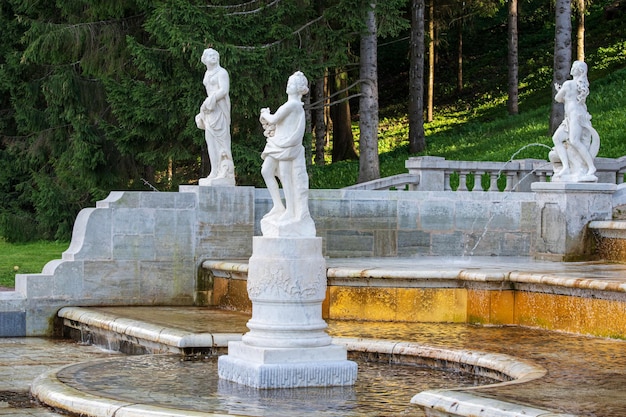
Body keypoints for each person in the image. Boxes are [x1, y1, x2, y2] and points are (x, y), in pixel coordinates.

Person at [259, 71, 315, 236]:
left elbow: (274, 119)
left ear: (299, 89)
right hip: (278, 143)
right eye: (289, 82)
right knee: (266, 171)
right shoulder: (292, 105)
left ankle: (291, 210)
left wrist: (264, 114)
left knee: (285, 176)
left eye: (291, 84)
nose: (288, 85)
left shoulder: (293, 105)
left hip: (286, 145)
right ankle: (278, 205)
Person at [551, 60, 599, 182]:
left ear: (580, 71)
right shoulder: (579, 86)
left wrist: (559, 91)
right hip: (570, 117)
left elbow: (558, 98)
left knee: (574, 141)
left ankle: (591, 167)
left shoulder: (568, 84)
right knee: (556, 138)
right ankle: (566, 167)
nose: (571, 68)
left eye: (574, 67)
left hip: (575, 117)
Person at [195, 48, 235, 186]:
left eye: (215, 55)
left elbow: (224, 90)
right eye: (209, 55)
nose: (213, 57)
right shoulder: (207, 73)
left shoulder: (222, 72)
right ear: (204, 59)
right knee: (210, 140)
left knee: (222, 141)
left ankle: (226, 172)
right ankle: (214, 171)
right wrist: (206, 105)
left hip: (220, 108)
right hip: (210, 110)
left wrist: (210, 100)